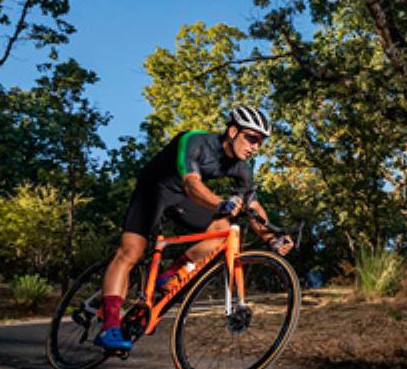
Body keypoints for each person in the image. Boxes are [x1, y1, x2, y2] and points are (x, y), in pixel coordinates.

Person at [95, 106, 293, 351]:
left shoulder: (242, 168)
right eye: (251, 138)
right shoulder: (195, 141)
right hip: (153, 190)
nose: (255, 146)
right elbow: (191, 184)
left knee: (223, 228)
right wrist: (221, 203)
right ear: (233, 131)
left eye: (260, 142)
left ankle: (169, 275)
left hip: (181, 200)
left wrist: (272, 238)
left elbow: (253, 206)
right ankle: (110, 324)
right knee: (131, 252)